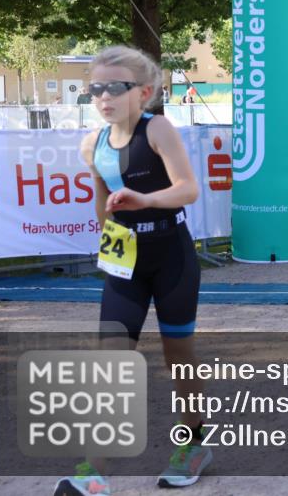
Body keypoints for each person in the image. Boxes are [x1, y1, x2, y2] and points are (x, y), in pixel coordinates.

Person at [56, 46, 211, 495]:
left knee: (177, 358)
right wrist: (107, 237)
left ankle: (195, 445)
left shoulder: (157, 128)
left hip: (172, 255)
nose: (103, 97)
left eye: (115, 88)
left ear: (142, 93)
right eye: (96, 88)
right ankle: (93, 469)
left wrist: (145, 200)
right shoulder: (93, 144)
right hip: (124, 260)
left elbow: (188, 189)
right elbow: (103, 203)